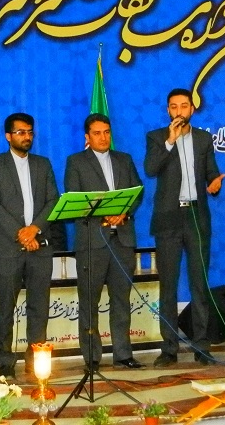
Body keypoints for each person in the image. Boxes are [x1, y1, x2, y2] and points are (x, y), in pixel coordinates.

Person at [144, 88, 225, 367]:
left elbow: (211, 170)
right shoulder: (156, 137)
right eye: (173, 106)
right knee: (168, 287)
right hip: (168, 219)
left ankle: (201, 346)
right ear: (168, 111)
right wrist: (170, 141)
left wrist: (214, 183)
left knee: (199, 285)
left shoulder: (203, 139)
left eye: (184, 106)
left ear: (192, 109)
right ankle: (169, 348)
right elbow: (151, 169)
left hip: (196, 217)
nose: (179, 111)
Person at [0, 112, 60, 380]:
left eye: (30, 132)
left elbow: (53, 201)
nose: (27, 137)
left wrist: (34, 229)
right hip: (8, 247)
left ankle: (35, 360)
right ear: (8, 136)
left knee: (39, 307)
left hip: (40, 246)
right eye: (21, 132)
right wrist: (22, 234)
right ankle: (5, 362)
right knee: (5, 308)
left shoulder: (42, 164)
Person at [65, 113, 145, 371]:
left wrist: (124, 212)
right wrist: (104, 213)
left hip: (122, 239)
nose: (103, 137)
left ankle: (123, 353)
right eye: (97, 133)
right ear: (87, 137)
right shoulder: (76, 162)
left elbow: (137, 192)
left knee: (121, 300)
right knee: (89, 301)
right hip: (93, 241)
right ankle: (92, 357)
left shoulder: (124, 159)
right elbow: (74, 197)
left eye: (107, 132)